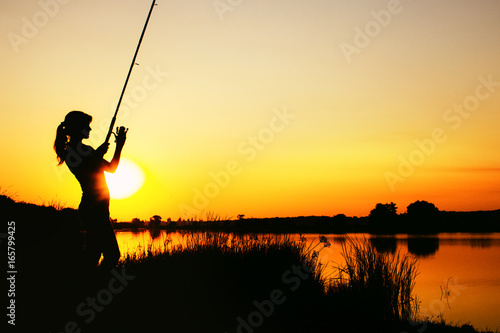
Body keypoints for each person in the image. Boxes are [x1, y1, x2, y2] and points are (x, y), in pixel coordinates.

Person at [54, 110, 127, 270]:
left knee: (94, 253)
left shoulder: (87, 150)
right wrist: (96, 154)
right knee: (112, 254)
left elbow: (111, 168)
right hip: (92, 208)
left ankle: (86, 284)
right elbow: (84, 168)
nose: (90, 129)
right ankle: (93, 284)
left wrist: (119, 146)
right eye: (87, 126)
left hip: (99, 208)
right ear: (78, 128)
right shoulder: (70, 152)